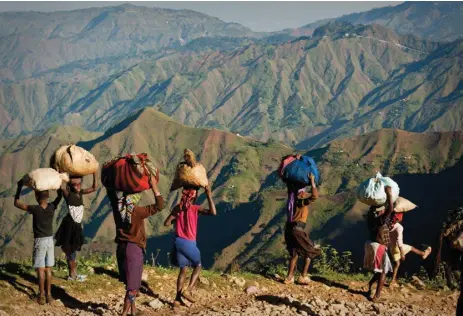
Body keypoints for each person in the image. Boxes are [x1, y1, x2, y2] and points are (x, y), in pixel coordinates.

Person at [107, 176, 164, 316]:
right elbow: (159, 206)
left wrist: (111, 180)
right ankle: (125, 312)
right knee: (132, 287)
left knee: (131, 283)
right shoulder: (137, 212)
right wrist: (154, 186)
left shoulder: (118, 208)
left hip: (121, 248)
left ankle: (133, 310)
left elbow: (111, 193)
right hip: (133, 250)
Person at [164, 184, 217, 307]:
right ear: (194, 197)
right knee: (198, 266)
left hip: (178, 242)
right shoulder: (195, 209)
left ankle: (177, 299)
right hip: (189, 243)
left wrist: (177, 219)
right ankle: (188, 290)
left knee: (183, 270)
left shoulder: (178, 208)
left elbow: (166, 223)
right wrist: (209, 195)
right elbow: (213, 212)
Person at [14, 179, 63, 305]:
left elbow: (17, 203)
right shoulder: (52, 207)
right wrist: (58, 184)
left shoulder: (34, 209)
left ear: (36, 196)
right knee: (48, 269)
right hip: (50, 241)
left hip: (39, 241)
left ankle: (41, 296)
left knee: (40, 270)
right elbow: (60, 196)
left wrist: (19, 187)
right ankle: (49, 295)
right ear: (47, 197)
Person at [55, 173, 98, 281]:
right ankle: (72, 275)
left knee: (72, 250)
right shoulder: (68, 194)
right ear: (70, 186)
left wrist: (94, 173)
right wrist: (61, 175)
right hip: (70, 225)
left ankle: (73, 274)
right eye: (75, 185)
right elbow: (61, 187)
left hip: (76, 225)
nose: (78, 186)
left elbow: (94, 188)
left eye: (79, 184)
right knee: (70, 249)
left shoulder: (81, 193)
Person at [283, 172, 320, 285]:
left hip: (289, 229)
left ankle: (289, 278)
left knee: (294, 254)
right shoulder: (300, 200)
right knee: (311, 250)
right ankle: (303, 276)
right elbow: (314, 197)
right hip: (297, 229)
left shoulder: (292, 196)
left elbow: (289, 184)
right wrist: (312, 181)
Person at [364, 186, 394, 302]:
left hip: (370, 244)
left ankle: (370, 286)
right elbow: (390, 209)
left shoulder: (370, 219)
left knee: (379, 270)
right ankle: (377, 296)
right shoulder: (380, 219)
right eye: (382, 210)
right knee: (383, 271)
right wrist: (389, 194)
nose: (384, 211)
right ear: (380, 211)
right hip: (378, 246)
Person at [389, 212, 432, 286]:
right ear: (399, 219)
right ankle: (423, 254)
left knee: (397, 263)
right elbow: (399, 241)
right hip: (398, 247)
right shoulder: (399, 227)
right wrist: (402, 253)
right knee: (411, 248)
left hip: (391, 247)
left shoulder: (388, 224)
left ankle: (393, 280)